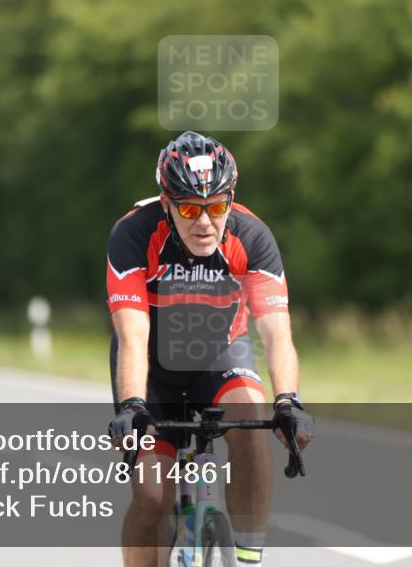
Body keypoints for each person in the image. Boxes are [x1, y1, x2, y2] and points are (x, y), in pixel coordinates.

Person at [106, 131, 314, 567]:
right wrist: (131, 405)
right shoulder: (133, 233)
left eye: (216, 207)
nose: (204, 222)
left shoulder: (252, 236)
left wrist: (288, 400)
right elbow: (133, 334)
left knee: (252, 419)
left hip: (221, 355)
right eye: (189, 209)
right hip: (152, 368)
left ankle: (248, 558)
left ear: (230, 200)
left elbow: (276, 333)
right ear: (167, 203)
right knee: (152, 498)